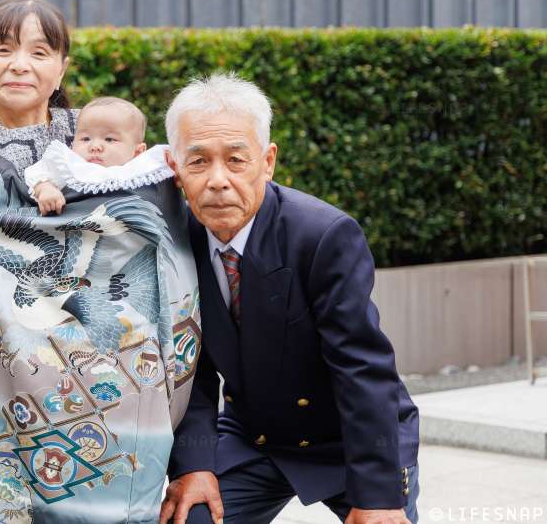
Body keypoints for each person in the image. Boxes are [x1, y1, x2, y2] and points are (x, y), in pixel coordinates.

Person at [0, 0, 202, 523]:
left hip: (95, 376)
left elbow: (141, 223)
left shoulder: (101, 139)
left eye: (39, 51)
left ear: (62, 66)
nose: (20, 63)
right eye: (3, 48)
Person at [158, 74, 420, 524]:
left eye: (237, 160)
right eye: (198, 161)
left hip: (347, 436)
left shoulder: (323, 236)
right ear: (173, 167)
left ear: (268, 160)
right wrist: (194, 465)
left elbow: (362, 369)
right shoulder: (174, 240)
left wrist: (378, 496)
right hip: (254, 434)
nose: (218, 181)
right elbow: (190, 369)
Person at [24, 96, 173, 216]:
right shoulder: (71, 164)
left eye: (109, 139)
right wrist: (45, 188)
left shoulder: (143, 168)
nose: (94, 146)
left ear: (138, 152)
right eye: (85, 139)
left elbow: (173, 166)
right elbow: (38, 171)